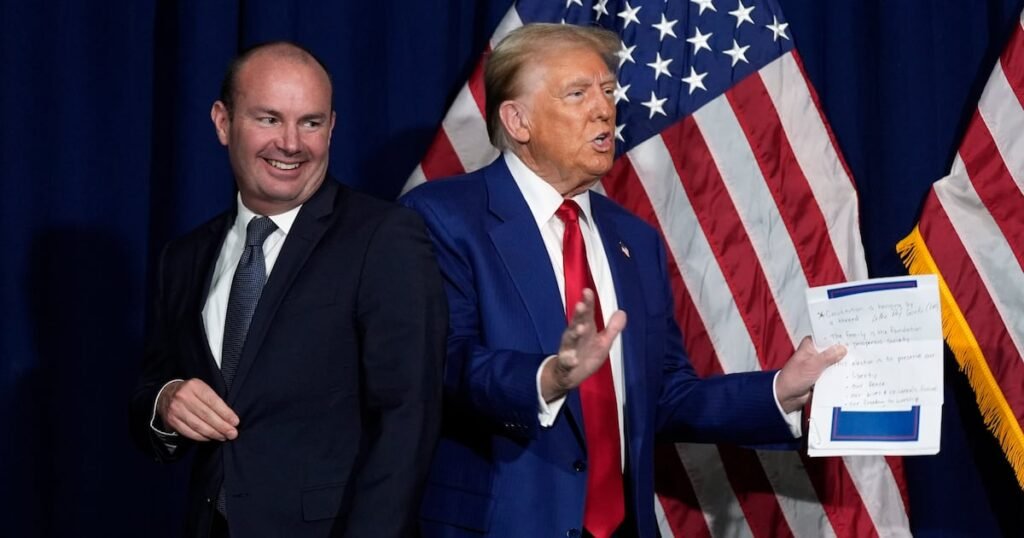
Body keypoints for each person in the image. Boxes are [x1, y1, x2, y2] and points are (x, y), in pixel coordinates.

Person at [400, 24, 846, 538]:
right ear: (518, 121)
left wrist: (779, 391)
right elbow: (444, 364)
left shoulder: (634, 239)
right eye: (577, 93)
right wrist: (548, 378)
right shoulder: (442, 218)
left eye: (608, 91)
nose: (604, 109)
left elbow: (667, 394)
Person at [129, 41, 447, 537]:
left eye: (311, 123)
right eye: (269, 119)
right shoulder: (185, 256)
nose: (291, 143)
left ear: (331, 128)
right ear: (222, 122)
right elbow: (152, 386)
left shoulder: (383, 237)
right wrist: (166, 401)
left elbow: (408, 420)